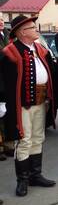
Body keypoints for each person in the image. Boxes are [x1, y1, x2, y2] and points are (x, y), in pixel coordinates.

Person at [0, 15, 56, 197]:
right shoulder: (10, 52)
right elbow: (3, 81)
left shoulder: (40, 49)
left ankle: (35, 175)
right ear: (22, 32)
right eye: (33, 27)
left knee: (38, 137)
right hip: (21, 105)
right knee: (24, 141)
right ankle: (22, 180)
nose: (36, 29)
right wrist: (2, 101)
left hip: (41, 102)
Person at [0, 14, 11, 160]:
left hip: (7, 78)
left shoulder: (8, 34)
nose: (1, 22)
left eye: (1, 19)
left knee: (8, 114)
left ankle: (8, 145)